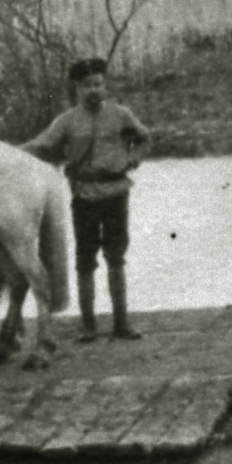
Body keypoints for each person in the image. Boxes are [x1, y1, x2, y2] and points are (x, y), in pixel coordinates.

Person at [26, 57, 151, 341]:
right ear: (77, 89)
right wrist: (10, 151)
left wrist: (132, 160)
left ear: (105, 87)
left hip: (116, 194)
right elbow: (42, 144)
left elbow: (144, 138)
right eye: (86, 86)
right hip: (84, 197)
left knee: (116, 257)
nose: (93, 90)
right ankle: (88, 326)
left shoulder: (121, 115)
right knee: (85, 260)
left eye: (98, 84)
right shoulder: (67, 121)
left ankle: (121, 324)